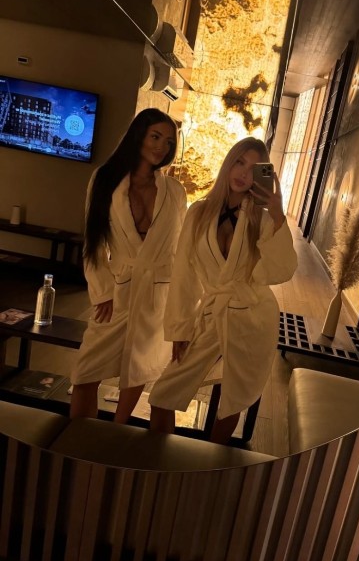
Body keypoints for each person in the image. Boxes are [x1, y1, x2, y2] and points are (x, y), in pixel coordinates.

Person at [149, 136, 298, 443]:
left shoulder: (262, 220)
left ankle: (210, 460)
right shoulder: (198, 212)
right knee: (164, 392)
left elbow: (281, 270)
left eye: (254, 168)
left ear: (262, 176)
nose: (243, 173)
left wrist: (278, 215)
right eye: (239, 162)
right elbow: (184, 274)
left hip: (253, 316)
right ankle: (160, 456)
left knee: (234, 397)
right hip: (212, 312)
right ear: (229, 163)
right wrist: (180, 328)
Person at [70, 108, 187, 423]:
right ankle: (77, 438)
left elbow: (180, 251)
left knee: (139, 369)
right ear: (138, 135)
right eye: (155, 136)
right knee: (85, 372)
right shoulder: (105, 179)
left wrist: (181, 307)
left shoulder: (175, 192)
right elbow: (94, 242)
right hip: (118, 290)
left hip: (157, 294)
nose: (161, 147)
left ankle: (116, 430)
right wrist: (103, 292)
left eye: (168, 142)